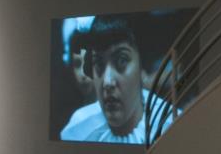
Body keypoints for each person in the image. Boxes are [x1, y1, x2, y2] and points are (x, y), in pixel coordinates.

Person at [60, 16, 154, 144]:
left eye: (121, 61)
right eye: (99, 64)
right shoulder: (78, 130)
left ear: (141, 67)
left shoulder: (170, 127)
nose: (108, 82)